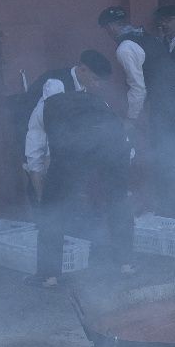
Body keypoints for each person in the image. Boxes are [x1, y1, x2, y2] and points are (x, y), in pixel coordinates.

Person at [23, 49, 132, 287]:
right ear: (82, 69)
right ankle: (126, 263)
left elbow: (36, 160)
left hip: (80, 153)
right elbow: (118, 135)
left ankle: (50, 276)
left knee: (52, 211)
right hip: (116, 149)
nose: (97, 85)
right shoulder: (94, 101)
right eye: (94, 79)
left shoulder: (44, 112)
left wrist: (44, 200)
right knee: (119, 200)